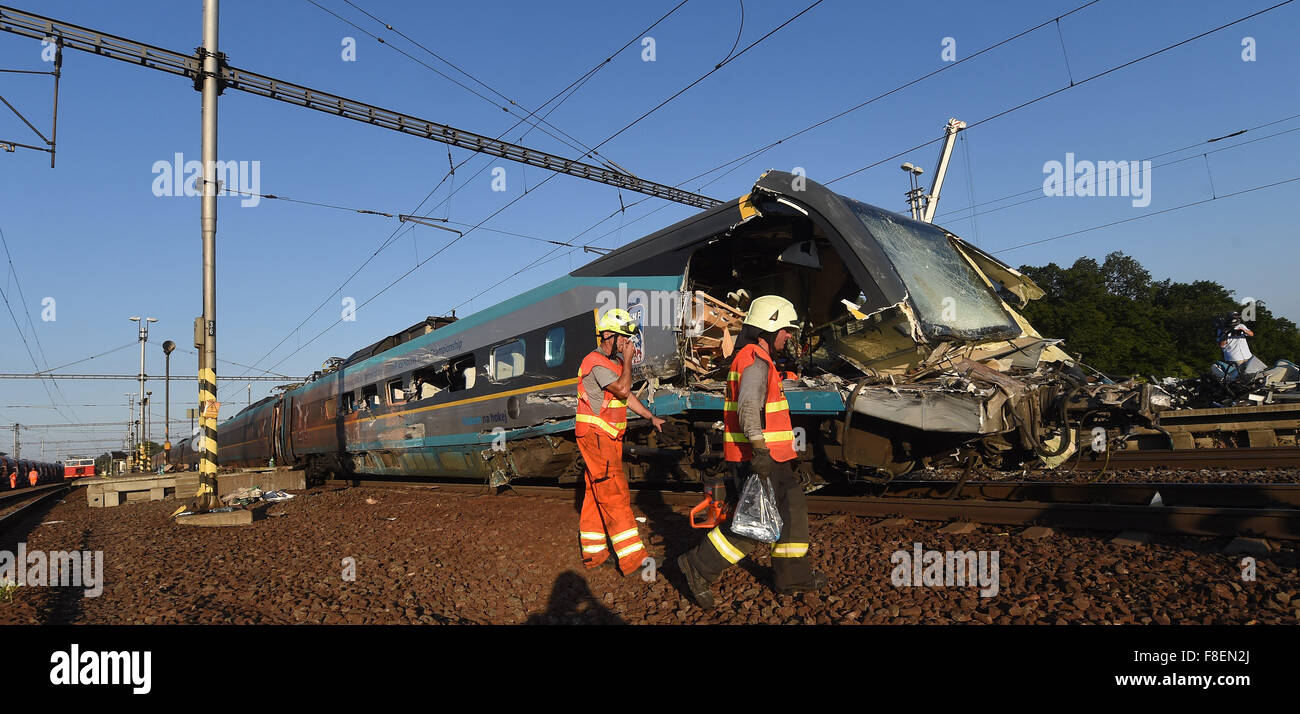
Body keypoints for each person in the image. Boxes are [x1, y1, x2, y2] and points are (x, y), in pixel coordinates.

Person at [677, 294, 826, 609]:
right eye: (785, 329)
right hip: (757, 458)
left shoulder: (760, 358)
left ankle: (792, 577)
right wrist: (759, 451)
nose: (789, 335)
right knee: (754, 525)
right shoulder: (754, 360)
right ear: (769, 328)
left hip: (775, 459)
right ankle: (698, 565)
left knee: (791, 511)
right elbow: (748, 409)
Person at [576, 308, 665, 576]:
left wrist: (650, 416)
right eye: (625, 338)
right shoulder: (596, 362)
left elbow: (626, 398)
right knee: (614, 494)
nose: (629, 343)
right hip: (597, 437)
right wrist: (627, 360)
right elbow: (624, 389)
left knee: (595, 493)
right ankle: (634, 561)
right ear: (608, 336)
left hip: (607, 438)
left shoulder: (611, 363)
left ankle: (593, 554)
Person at [1217, 311, 1263, 375]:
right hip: (1235, 358)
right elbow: (1222, 345)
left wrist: (1244, 330)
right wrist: (1226, 334)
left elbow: (1251, 334)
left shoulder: (1241, 325)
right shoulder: (1222, 329)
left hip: (1247, 355)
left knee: (1255, 374)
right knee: (1240, 377)